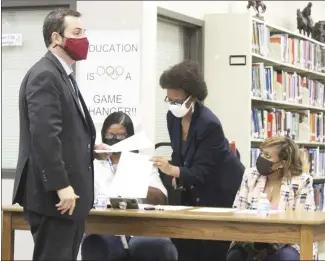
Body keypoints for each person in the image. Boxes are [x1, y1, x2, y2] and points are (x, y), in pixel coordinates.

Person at [12, 8, 109, 260]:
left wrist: (92, 150)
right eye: (76, 33)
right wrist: (61, 185)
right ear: (56, 38)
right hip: (55, 199)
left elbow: (66, 133)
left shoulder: (63, 75)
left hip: (69, 200)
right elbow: (44, 136)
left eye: (84, 32)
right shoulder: (45, 75)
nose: (83, 38)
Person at [152, 60, 245, 261]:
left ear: (192, 97)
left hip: (220, 189)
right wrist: (175, 172)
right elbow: (179, 153)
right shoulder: (172, 117)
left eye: (177, 101)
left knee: (211, 250)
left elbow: (205, 172)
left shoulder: (209, 124)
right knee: (184, 244)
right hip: (193, 189)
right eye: (169, 100)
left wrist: (174, 171)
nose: (173, 105)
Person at [81, 112, 178, 261]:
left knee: (155, 246)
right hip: (105, 226)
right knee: (97, 244)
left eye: (120, 136)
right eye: (110, 135)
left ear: (130, 137)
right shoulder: (92, 165)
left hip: (139, 227)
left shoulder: (142, 162)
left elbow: (160, 198)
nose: (114, 140)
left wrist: (136, 184)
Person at [227, 136, 317, 261]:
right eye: (262, 153)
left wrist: (272, 243)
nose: (262, 158)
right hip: (251, 239)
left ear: (282, 163)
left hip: (288, 242)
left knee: (286, 257)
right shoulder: (251, 175)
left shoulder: (301, 181)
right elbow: (237, 211)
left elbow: (303, 220)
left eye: (268, 156)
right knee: (235, 255)